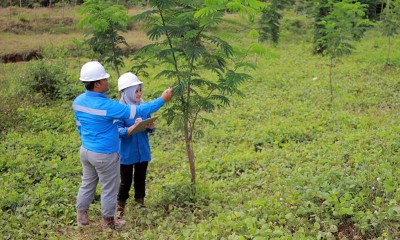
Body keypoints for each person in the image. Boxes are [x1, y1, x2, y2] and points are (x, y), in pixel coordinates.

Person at [72, 61, 173, 230]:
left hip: (86, 151)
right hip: (104, 154)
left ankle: (81, 218)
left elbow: (79, 126)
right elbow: (136, 111)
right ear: (97, 84)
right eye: (104, 79)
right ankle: (110, 222)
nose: (107, 81)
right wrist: (162, 99)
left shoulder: (78, 101)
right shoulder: (108, 105)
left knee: (87, 184)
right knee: (110, 189)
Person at [115, 73, 156, 216]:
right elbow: (118, 131)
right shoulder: (120, 110)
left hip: (142, 151)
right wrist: (132, 127)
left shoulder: (144, 107)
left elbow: (151, 129)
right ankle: (120, 207)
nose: (139, 94)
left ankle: (140, 202)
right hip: (127, 152)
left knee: (140, 178)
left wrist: (150, 126)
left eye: (140, 90)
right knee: (125, 181)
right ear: (127, 93)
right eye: (136, 91)